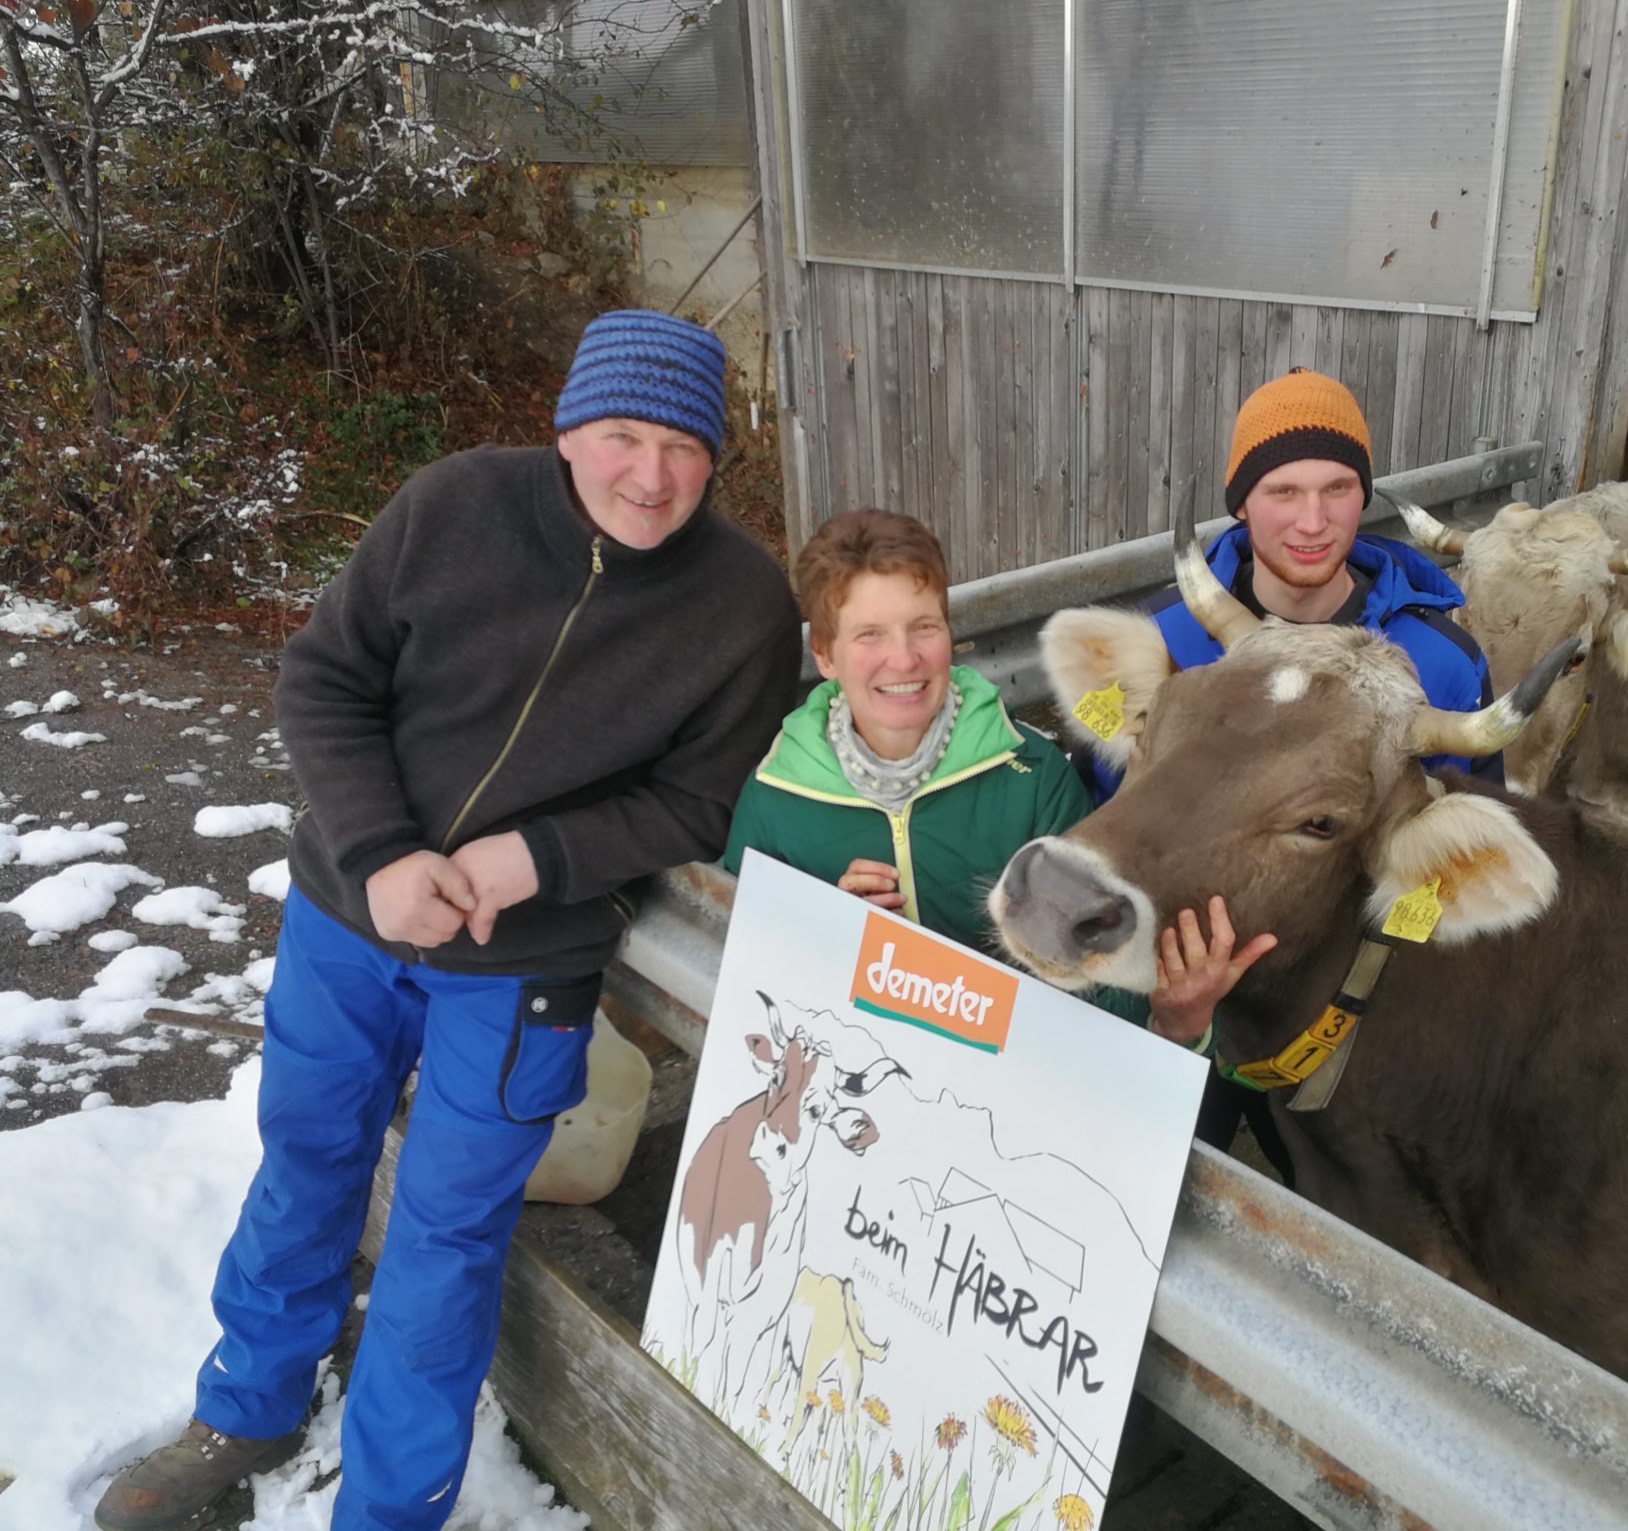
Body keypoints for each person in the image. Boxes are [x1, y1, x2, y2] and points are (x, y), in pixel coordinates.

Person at [95, 311, 801, 1531]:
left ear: (715, 459)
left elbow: (697, 802)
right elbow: (324, 676)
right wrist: (377, 854)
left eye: (684, 447)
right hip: (346, 919)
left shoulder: (742, 605)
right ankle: (248, 1406)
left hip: (521, 968)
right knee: (307, 1159)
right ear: (567, 429)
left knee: (448, 1237)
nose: (651, 474)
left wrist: (541, 857)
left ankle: (386, 1508)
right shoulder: (453, 508)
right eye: (622, 435)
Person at [1079, 368, 1499, 1183]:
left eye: (1338, 487)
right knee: (1151, 1176)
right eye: (1283, 490)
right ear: (1242, 500)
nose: (1313, 521)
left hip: (1337, 1010)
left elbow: (1466, 836)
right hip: (1167, 992)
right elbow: (1104, 799)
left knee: (1327, 1195)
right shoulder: (1167, 645)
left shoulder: (1445, 665)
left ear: (1363, 493)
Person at [721, 509, 1165, 1030]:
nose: (905, 659)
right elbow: (740, 985)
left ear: (950, 635)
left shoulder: (1032, 776)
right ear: (824, 655)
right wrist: (832, 937)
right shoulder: (776, 798)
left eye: (923, 627)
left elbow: (1111, 992)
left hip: (1008, 1080)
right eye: (869, 635)